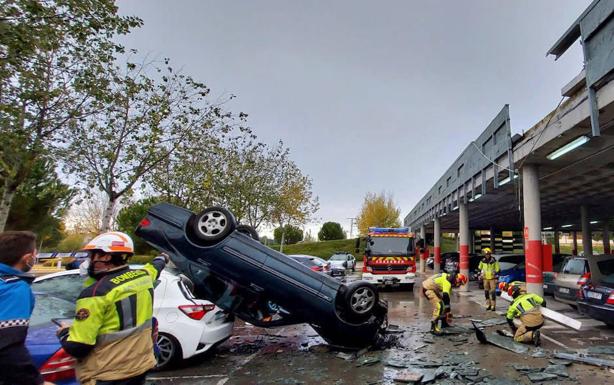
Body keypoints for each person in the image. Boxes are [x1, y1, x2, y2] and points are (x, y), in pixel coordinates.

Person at [57, 231, 168, 385]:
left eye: (92, 255)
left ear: (106, 257)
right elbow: (156, 266)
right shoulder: (143, 277)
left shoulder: (95, 294)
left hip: (108, 375)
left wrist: (64, 333)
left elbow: (78, 347)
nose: (89, 260)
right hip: (140, 366)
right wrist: (163, 257)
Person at [0, 231, 53, 385]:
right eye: (35, 255)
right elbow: (8, 346)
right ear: (27, 258)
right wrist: (36, 382)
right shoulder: (13, 289)